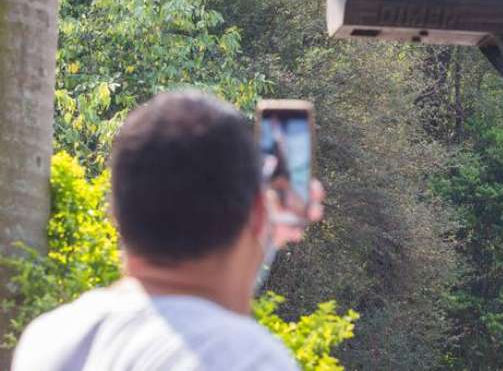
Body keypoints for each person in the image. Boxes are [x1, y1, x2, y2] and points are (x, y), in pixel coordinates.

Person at [11, 90, 324, 371]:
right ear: (257, 213)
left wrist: (260, 235)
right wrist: (259, 231)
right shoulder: (249, 359)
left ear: (114, 211)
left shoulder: (49, 339)